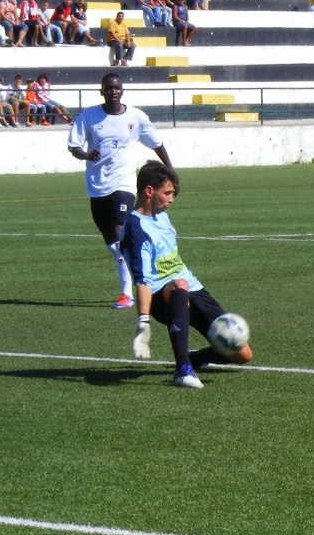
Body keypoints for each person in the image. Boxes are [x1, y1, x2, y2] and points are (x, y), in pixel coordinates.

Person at [121, 160, 253, 388]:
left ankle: (193, 358)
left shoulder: (161, 215)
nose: (171, 199)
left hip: (191, 286)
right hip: (159, 294)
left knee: (242, 354)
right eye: (167, 193)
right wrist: (143, 320)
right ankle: (182, 370)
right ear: (149, 191)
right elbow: (142, 280)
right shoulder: (135, 228)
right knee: (179, 284)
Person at [68, 73, 173, 309]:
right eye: (109, 88)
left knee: (119, 226)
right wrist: (86, 155)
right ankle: (133, 277)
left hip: (123, 182)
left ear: (122, 90)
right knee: (111, 240)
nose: (113, 91)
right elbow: (74, 147)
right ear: (102, 91)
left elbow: (157, 144)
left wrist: (170, 170)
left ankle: (130, 291)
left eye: (117, 88)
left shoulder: (136, 117)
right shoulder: (89, 116)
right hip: (96, 184)